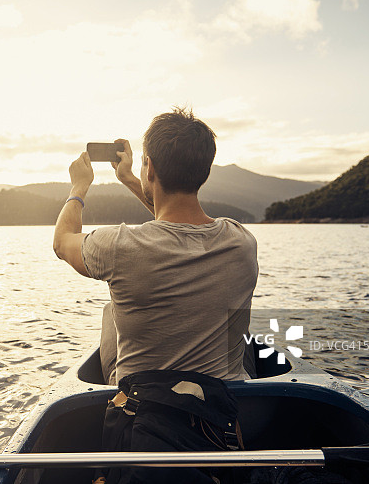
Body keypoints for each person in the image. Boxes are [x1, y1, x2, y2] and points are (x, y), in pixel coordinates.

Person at [52, 107, 258, 483]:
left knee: (109, 311)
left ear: (151, 167)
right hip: (215, 408)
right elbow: (179, 221)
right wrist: (130, 179)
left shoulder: (118, 246)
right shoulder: (241, 242)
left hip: (140, 398)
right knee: (245, 334)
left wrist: (79, 188)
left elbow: (62, 242)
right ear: (205, 171)